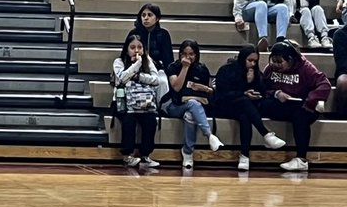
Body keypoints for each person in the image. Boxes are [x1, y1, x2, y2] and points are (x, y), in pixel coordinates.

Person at [212, 45, 286, 170]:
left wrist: (253, 82)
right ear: (242, 58)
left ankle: (245, 155)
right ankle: (266, 134)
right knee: (245, 101)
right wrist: (243, 92)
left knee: (245, 115)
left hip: (243, 107)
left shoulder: (256, 73)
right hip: (224, 105)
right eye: (250, 60)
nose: (252, 64)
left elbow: (263, 92)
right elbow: (222, 93)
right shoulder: (227, 70)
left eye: (255, 61)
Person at [262, 40, 332, 172]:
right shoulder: (270, 68)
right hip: (282, 103)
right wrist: (276, 93)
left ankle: (301, 159)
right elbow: (262, 87)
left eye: (280, 62)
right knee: (259, 104)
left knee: (301, 116)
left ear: (291, 59)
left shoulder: (306, 68)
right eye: (273, 61)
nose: (276, 65)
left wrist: (311, 100)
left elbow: (324, 84)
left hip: (304, 105)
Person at [164, 39, 224, 170]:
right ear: (180, 54)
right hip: (175, 105)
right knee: (192, 104)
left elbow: (209, 92)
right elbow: (177, 88)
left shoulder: (201, 69)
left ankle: (187, 152)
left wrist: (204, 89)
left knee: (190, 113)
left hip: (195, 105)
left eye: (191, 54)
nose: (188, 57)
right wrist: (185, 68)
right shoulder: (173, 67)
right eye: (184, 54)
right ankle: (209, 135)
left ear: (196, 55)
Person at [112, 33, 160, 168]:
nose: (136, 50)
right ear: (126, 49)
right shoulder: (119, 62)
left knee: (150, 120)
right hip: (124, 102)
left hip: (145, 102)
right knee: (129, 120)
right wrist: (136, 65)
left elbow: (156, 80)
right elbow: (122, 78)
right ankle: (127, 156)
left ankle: (146, 155)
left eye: (139, 47)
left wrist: (138, 77)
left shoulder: (148, 61)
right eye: (132, 47)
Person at [130, 3, 175, 103]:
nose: (146, 18)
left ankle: (161, 109)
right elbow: (127, 53)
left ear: (157, 18)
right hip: (138, 69)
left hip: (158, 69)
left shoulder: (163, 34)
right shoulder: (134, 33)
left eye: (150, 15)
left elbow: (168, 59)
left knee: (162, 82)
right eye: (143, 15)